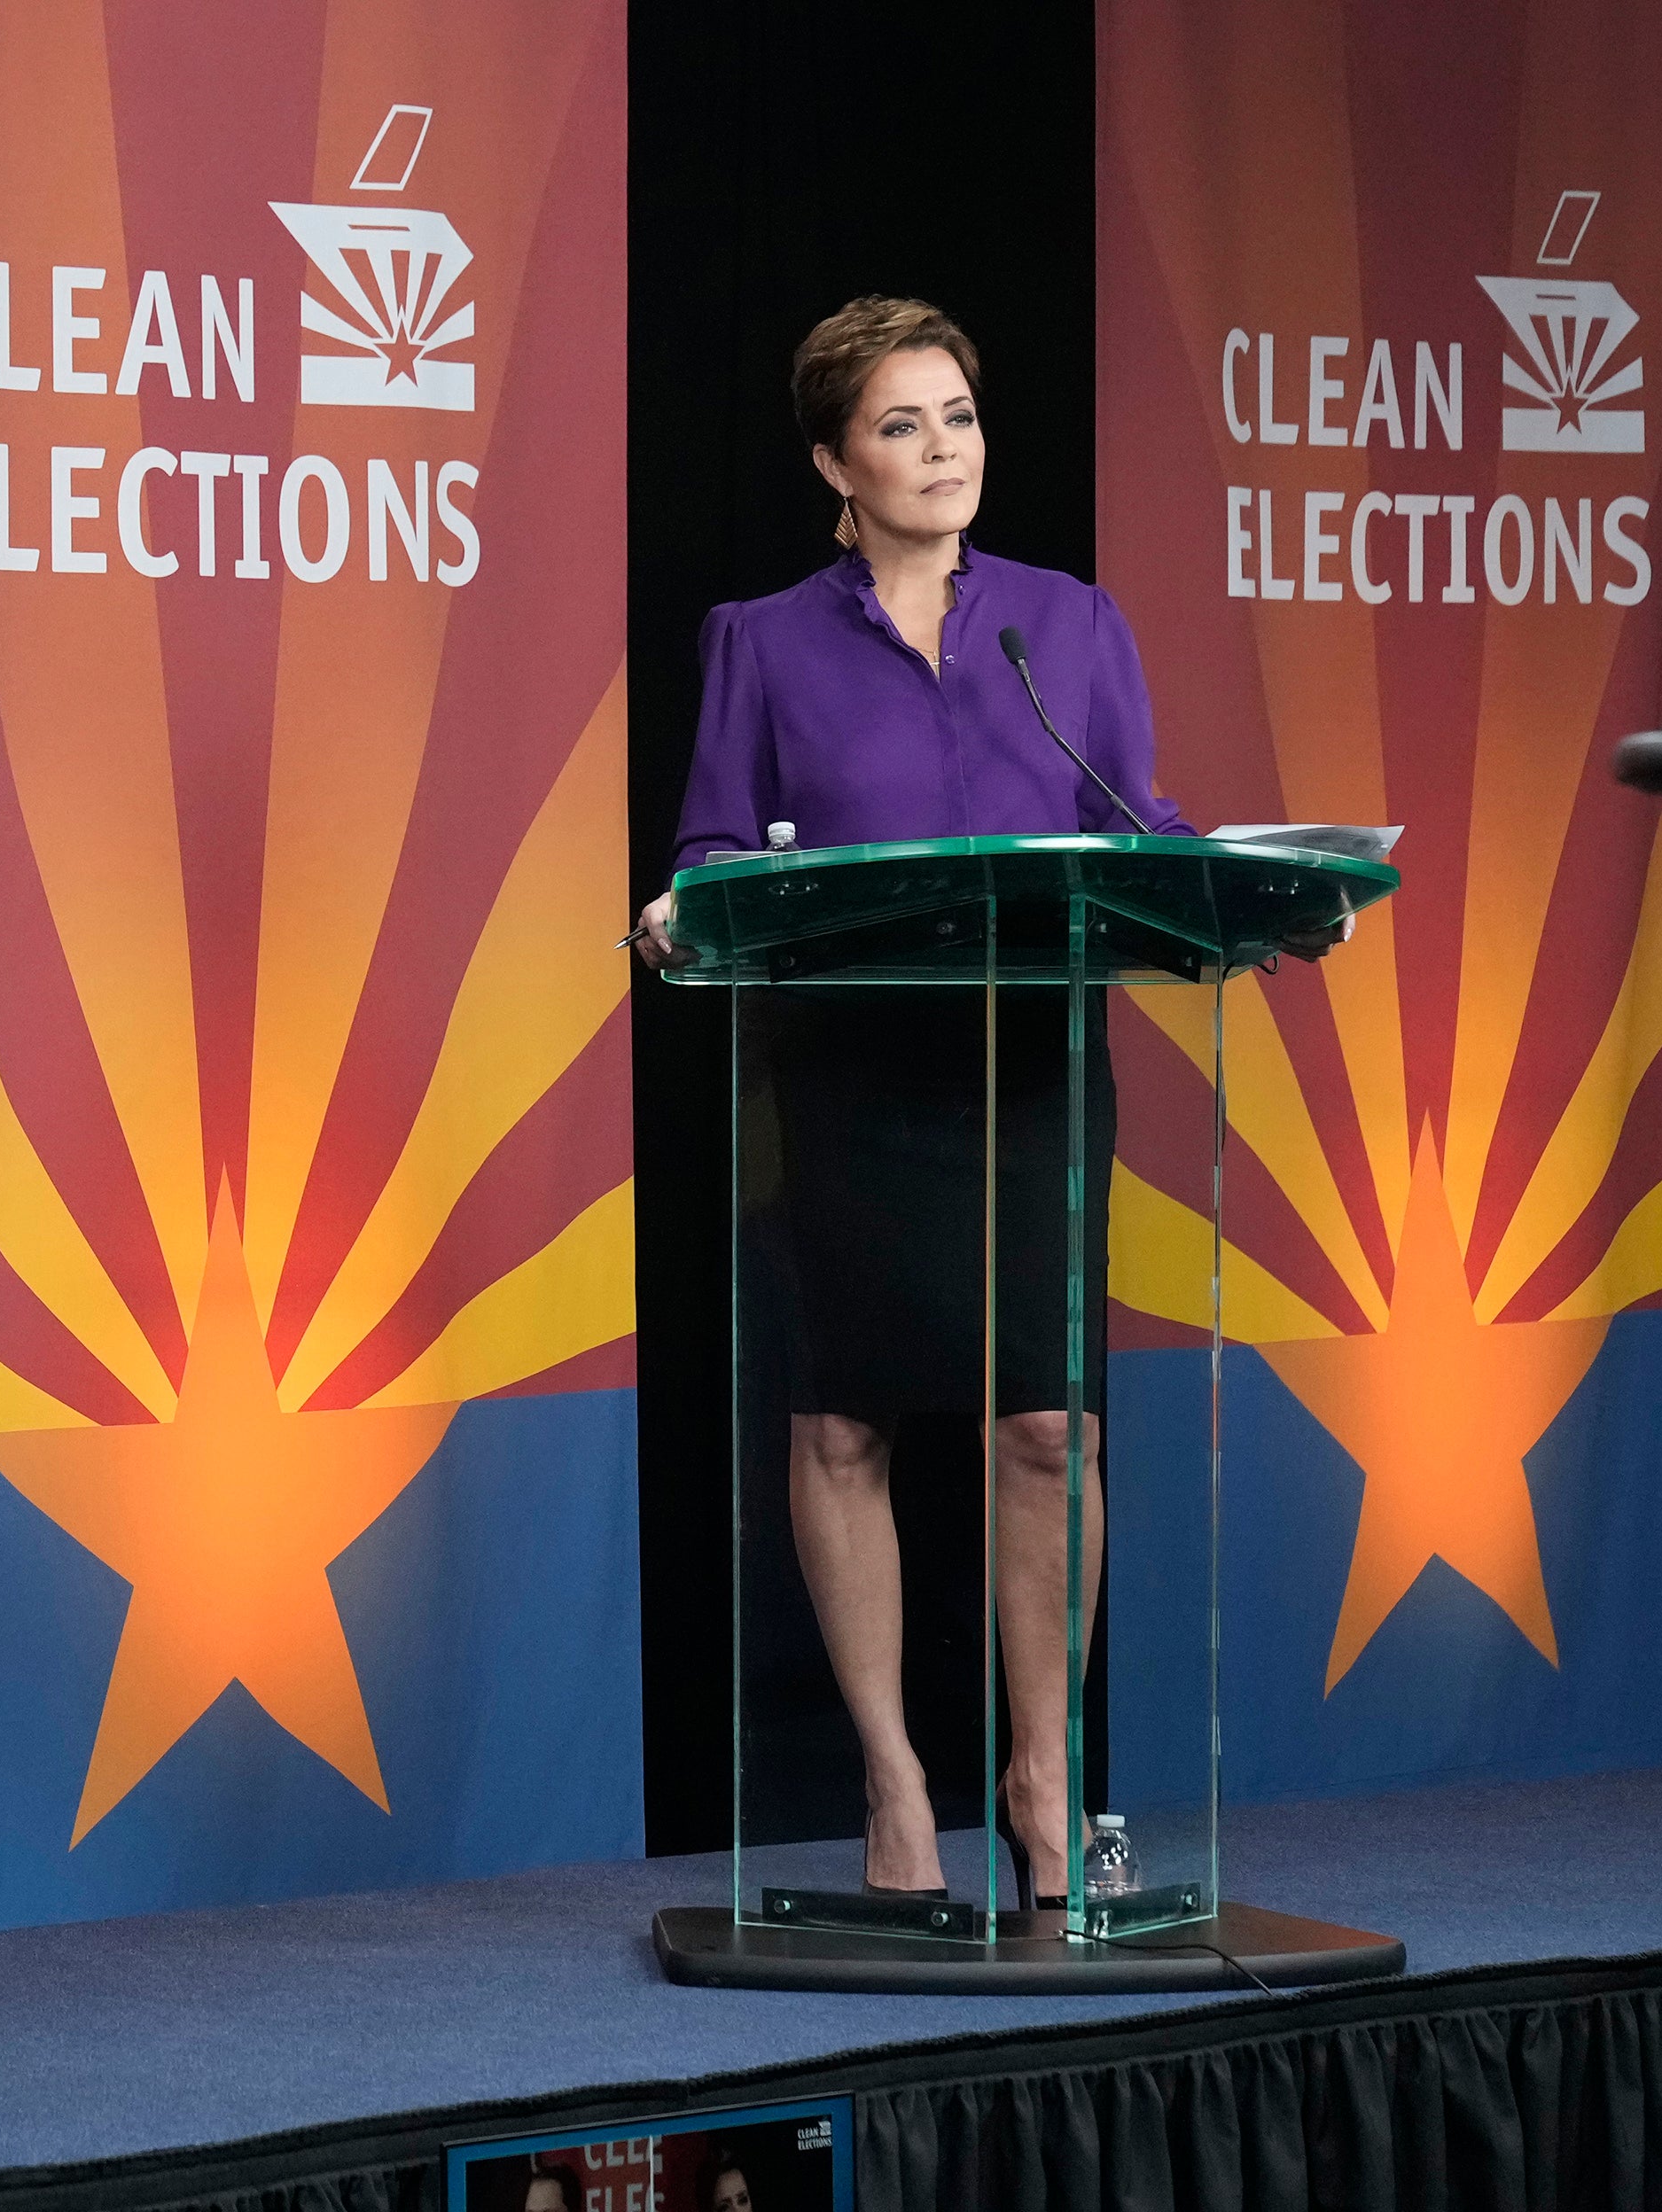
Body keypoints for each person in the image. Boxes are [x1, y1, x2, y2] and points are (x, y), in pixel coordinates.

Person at [629, 297, 1196, 1908]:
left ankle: (1038, 1775)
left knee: (1043, 1422)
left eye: (955, 417)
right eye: (901, 425)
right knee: (845, 1418)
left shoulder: (1065, 625)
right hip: (851, 1072)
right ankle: (889, 1779)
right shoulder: (762, 637)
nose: (940, 452)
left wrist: (1229, 894)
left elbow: (1132, 819)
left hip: (1028, 1069)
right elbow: (715, 844)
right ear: (832, 459)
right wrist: (694, 906)